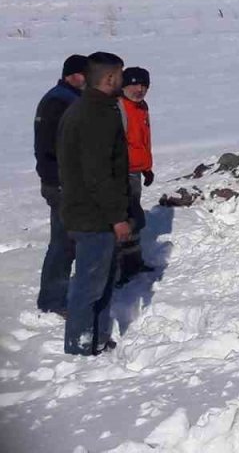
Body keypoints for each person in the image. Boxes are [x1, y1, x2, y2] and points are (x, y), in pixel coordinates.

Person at [57, 51, 131, 356]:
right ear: (110, 78)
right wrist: (117, 218)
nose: (123, 81)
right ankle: (79, 347)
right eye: (120, 75)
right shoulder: (94, 115)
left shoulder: (94, 108)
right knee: (89, 285)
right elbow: (97, 174)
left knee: (100, 282)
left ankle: (98, 338)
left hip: (91, 212)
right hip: (93, 216)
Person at [34, 54, 88, 315]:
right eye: (84, 74)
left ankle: (57, 296)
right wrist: (57, 181)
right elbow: (50, 147)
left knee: (69, 240)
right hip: (61, 183)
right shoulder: (59, 101)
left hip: (65, 182)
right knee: (63, 242)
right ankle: (52, 300)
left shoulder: (67, 98)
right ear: (72, 75)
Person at [118, 67, 156, 285]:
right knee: (122, 220)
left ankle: (133, 262)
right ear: (124, 85)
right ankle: (121, 267)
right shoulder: (119, 107)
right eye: (134, 84)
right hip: (121, 173)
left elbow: (142, 141)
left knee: (133, 218)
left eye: (144, 85)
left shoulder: (141, 107)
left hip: (135, 171)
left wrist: (147, 167)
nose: (139, 89)